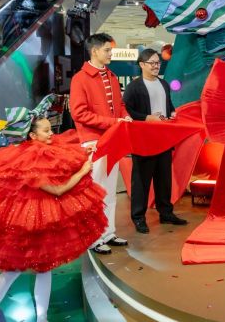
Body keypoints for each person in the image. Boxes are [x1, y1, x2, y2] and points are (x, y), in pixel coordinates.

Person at [0, 118, 107, 322]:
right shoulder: (29, 160)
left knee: (38, 269)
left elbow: (64, 157)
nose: (51, 134)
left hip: (40, 221)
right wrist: (83, 171)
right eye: (46, 131)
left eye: (51, 129)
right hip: (28, 224)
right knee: (14, 270)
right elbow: (58, 190)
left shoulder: (41, 150)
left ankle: (38, 317)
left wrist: (85, 151)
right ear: (32, 135)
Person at [70, 33, 132, 254]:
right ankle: (93, 237)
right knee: (95, 191)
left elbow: (120, 105)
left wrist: (125, 117)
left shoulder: (112, 76)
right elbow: (79, 113)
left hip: (111, 140)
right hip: (93, 142)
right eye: (107, 50)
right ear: (94, 51)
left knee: (109, 190)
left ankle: (108, 232)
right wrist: (113, 122)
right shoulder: (80, 78)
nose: (110, 53)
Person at [123, 49, 187, 233]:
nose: (156, 66)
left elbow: (168, 104)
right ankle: (138, 218)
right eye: (152, 63)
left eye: (158, 62)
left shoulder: (164, 84)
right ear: (142, 65)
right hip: (144, 141)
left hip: (163, 139)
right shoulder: (134, 87)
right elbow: (126, 110)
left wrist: (172, 112)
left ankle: (166, 213)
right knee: (141, 181)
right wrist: (146, 118)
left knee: (164, 179)